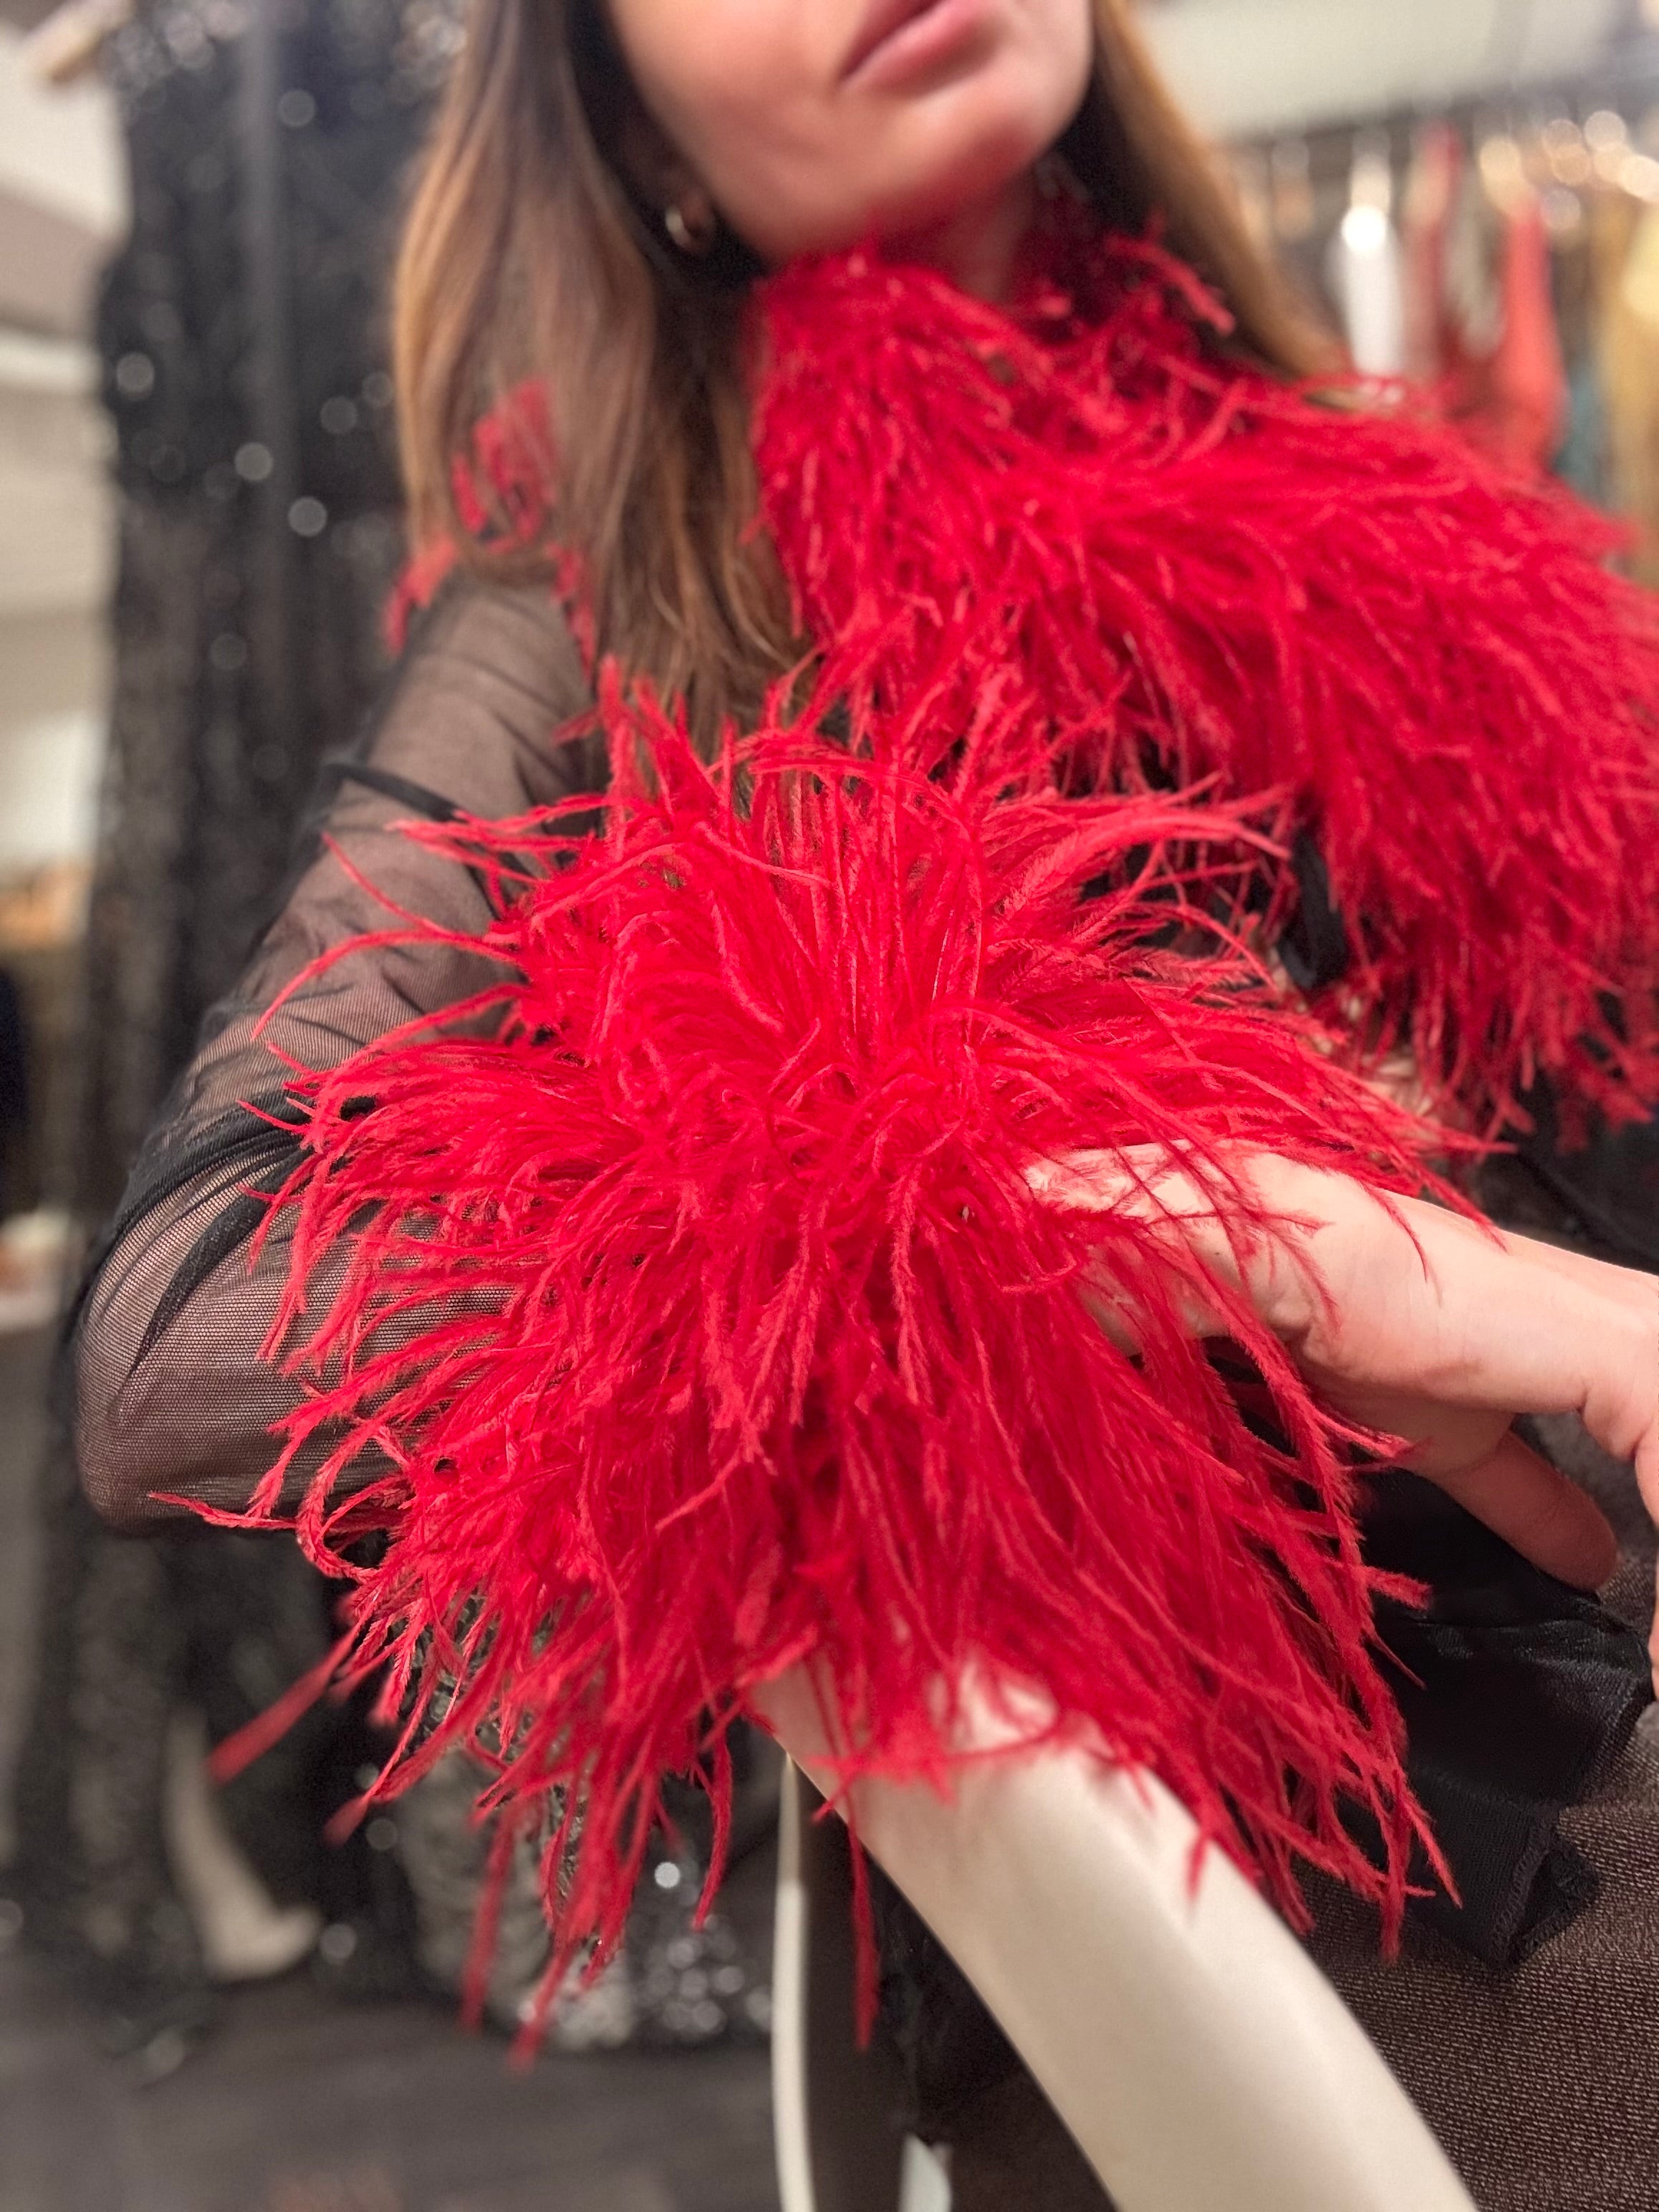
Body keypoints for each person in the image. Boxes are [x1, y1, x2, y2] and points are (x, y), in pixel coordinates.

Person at [69, 1, 1659, 2201]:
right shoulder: (597, 597)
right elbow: (176, 1343)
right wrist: (1135, 1216)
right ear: (636, 130)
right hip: (1350, 1846)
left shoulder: (1400, 518)